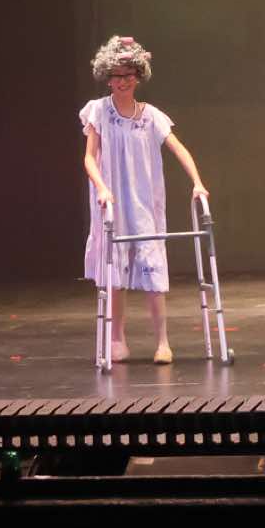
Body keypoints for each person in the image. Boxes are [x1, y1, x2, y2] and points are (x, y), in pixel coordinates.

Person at [80, 35, 211, 366]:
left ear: (138, 77)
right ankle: (117, 339)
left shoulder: (151, 116)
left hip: (144, 201)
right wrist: (101, 187)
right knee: (115, 268)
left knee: (153, 268)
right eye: (116, 76)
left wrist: (197, 182)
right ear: (107, 78)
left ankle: (162, 341)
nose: (122, 82)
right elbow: (89, 157)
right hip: (112, 200)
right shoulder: (98, 111)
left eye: (128, 75)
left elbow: (178, 148)